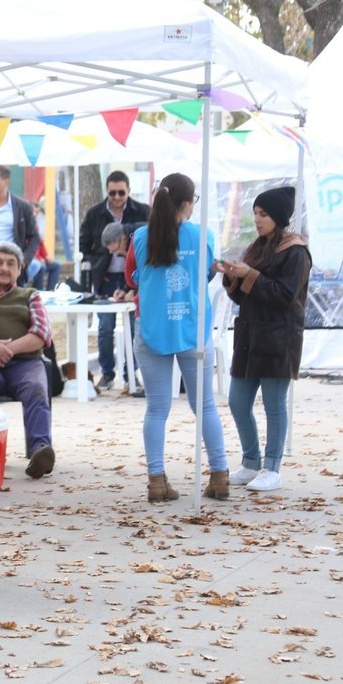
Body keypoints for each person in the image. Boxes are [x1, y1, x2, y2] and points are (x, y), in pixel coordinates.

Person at [124, 173, 228, 503]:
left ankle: (157, 480)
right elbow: (209, 271)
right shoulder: (203, 236)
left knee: (156, 408)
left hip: (152, 328)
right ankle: (220, 475)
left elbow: (131, 276)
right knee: (205, 405)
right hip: (192, 330)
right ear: (186, 203)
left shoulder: (140, 237)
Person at [220, 187, 312, 493]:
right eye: (256, 214)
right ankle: (250, 461)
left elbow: (286, 295)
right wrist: (232, 275)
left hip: (279, 337)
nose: (258, 220)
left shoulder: (296, 252)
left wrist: (250, 276)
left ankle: (272, 467)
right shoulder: (256, 247)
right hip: (249, 335)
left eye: (264, 214)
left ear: (279, 218)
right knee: (237, 401)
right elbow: (241, 294)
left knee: (274, 405)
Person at [0, 242, 56, 479]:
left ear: (19, 269)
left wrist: (7, 350)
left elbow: (41, 334)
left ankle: (39, 452)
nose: (4, 268)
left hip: (25, 364)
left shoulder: (29, 296)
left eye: (11, 264)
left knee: (36, 388)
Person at [80, 171, 150, 389]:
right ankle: (108, 374)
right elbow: (84, 245)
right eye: (112, 193)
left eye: (121, 192)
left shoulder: (143, 212)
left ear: (129, 190)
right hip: (107, 277)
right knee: (105, 327)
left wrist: (132, 287)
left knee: (135, 325)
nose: (117, 197)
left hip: (134, 276)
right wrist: (101, 256)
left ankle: (132, 374)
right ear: (106, 192)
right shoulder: (95, 213)